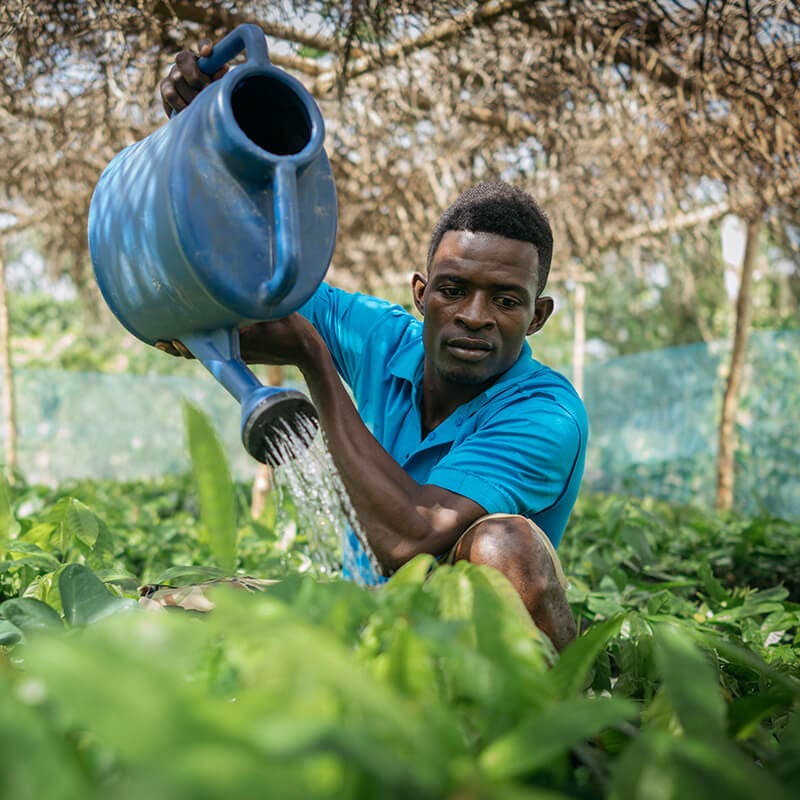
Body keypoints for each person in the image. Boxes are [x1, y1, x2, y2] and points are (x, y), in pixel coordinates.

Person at [158, 46, 588, 651]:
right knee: (169, 616)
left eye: (506, 301)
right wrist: (207, 141)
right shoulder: (379, 336)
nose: (473, 316)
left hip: (467, 643)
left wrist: (316, 362)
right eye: (453, 289)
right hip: (366, 611)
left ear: (538, 316)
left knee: (502, 545)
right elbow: (244, 280)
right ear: (421, 293)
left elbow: (407, 538)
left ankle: (550, 717)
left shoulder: (546, 414)